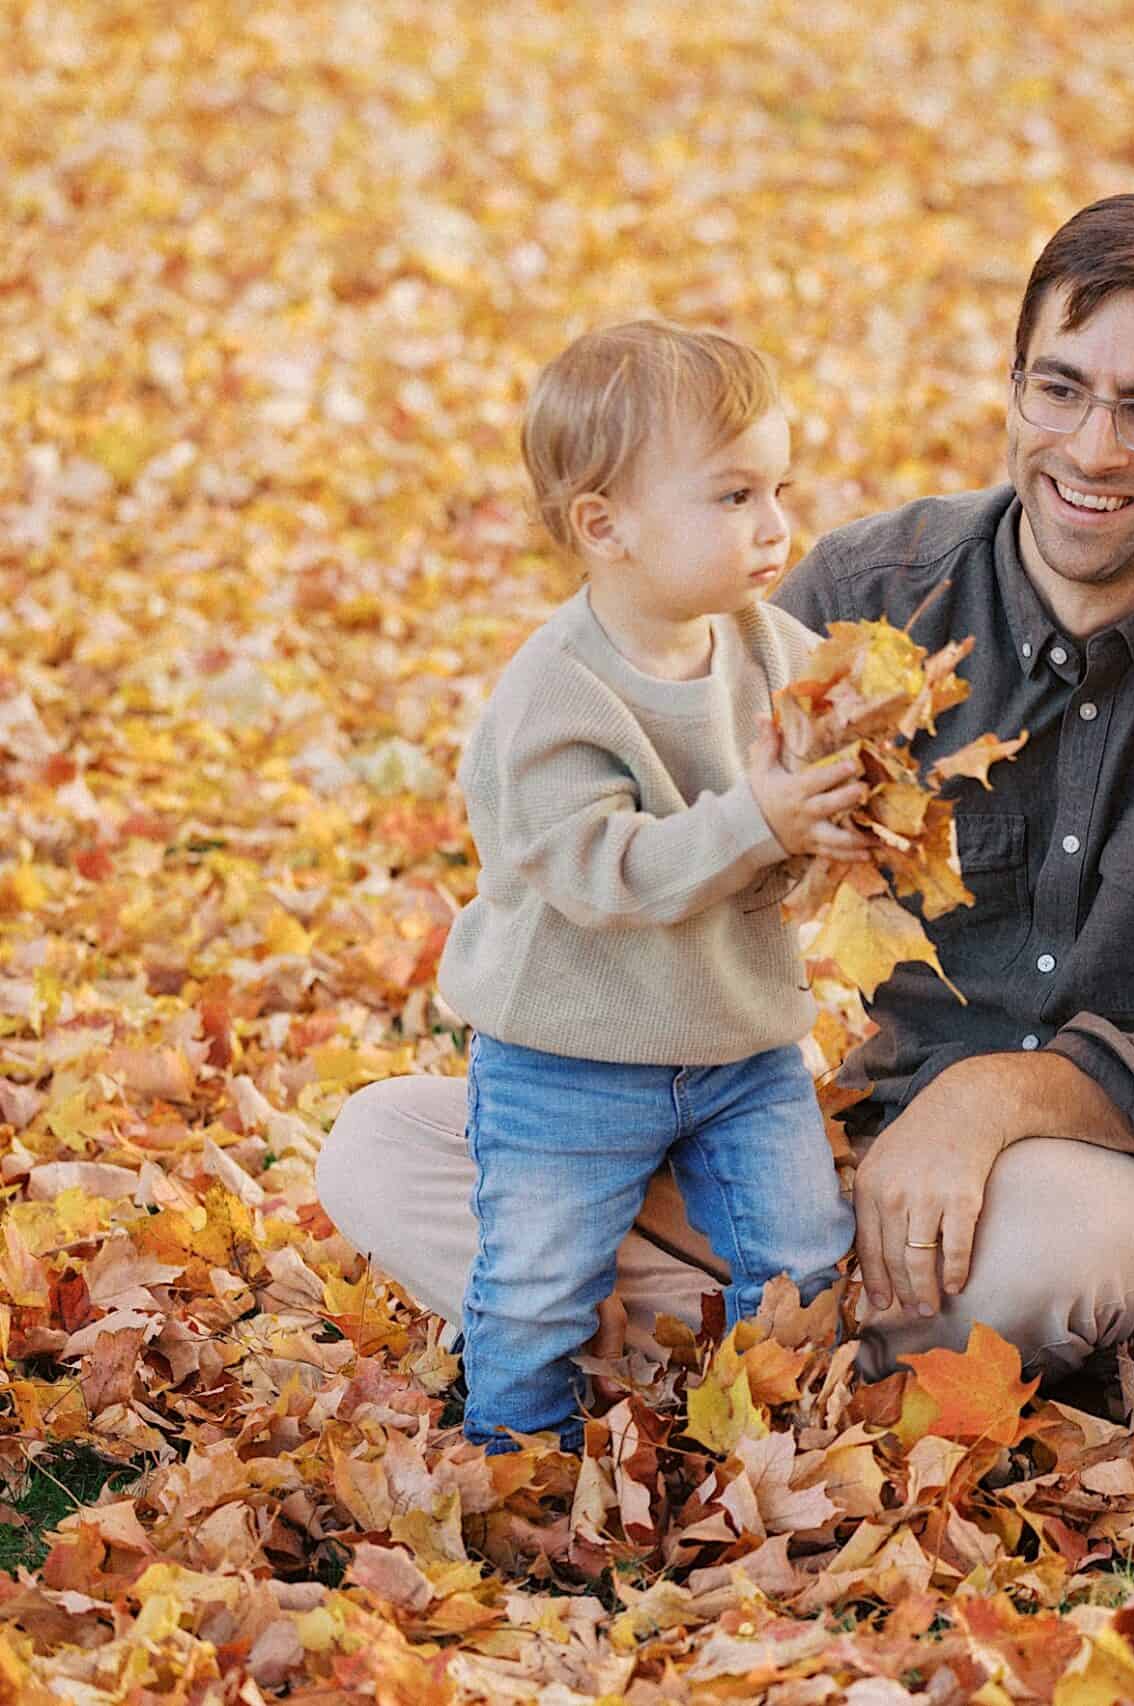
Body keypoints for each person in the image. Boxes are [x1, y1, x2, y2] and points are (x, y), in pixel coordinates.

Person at [316, 194, 1134, 1388]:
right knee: (383, 1144)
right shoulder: (871, 590)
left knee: (1045, 1251)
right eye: (1060, 388)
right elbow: (683, 852)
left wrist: (992, 1101)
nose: (1091, 446)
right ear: (1014, 387)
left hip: (1113, 1167)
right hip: (835, 1154)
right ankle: (786, 1344)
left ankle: (697, 1345)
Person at [437, 321, 861, 1448]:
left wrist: (838, 817)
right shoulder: (553, 694)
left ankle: (785, 1446)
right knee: (536, 1287)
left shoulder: (774, 649)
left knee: (805, 1254)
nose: (774, 524)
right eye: (730, 495)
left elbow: (796, 825)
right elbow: (603, 872)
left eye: (779, 486)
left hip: (739, 1043)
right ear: (603, 524)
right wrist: (758, 818)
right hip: (564, 1057)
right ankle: (511, 1466)